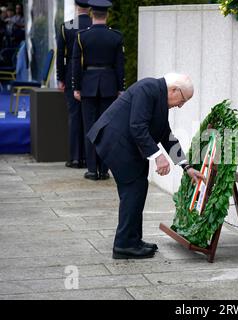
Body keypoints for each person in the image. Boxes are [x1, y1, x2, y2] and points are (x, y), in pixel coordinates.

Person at [87, 73, 205, 259]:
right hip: (116, 142)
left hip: (127, 145)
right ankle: (123, 245)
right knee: (132, 189)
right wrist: (158, 157)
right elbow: (137, 126)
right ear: (174, 90)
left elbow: (166, 135)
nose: (180, 105)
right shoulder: (148, 88)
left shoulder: (158, 95)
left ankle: (133, 240)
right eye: (182, 100)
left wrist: (186, 167)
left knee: (139, 187)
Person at [72, 0, 125, 181]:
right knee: (107, 129)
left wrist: (76, 87)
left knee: (90, 127)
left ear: (92, 14)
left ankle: (92, 169)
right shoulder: (116, 37)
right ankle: (104, 169)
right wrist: (120, 88)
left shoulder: (82, 36)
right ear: (107, 15)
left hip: (88, 86)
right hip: (109, 87)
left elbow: (76, 65)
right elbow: (119, 66)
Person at [57, 0, 92, 169]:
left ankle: (75, 158)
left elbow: (60, 56)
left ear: (76, 7)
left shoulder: (67, 27)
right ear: (90, 7)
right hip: (91, 76)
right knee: (89, 117)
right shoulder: (95, 26)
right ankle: (88, 158)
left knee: (74, 116)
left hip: (71, 73)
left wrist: (61, 78)